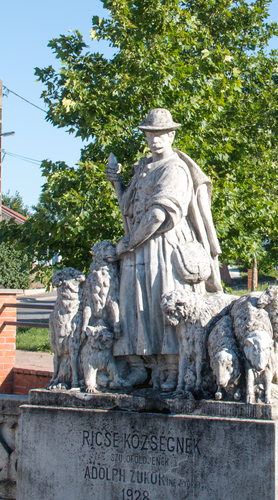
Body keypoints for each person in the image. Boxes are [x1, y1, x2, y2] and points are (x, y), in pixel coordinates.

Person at [105, 108, 222, 391]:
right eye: (149, 134)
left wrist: (129, 242)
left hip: (163, 245)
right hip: (139, 246)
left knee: (163, 301)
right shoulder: (144, 167)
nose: (154, 139)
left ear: (171, 135)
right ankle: (142, 365)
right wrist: (117, 183)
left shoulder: (175, 169)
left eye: (160, 134)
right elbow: (131, 209)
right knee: (135, 303)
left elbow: (158, 215)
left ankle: (171, 366)